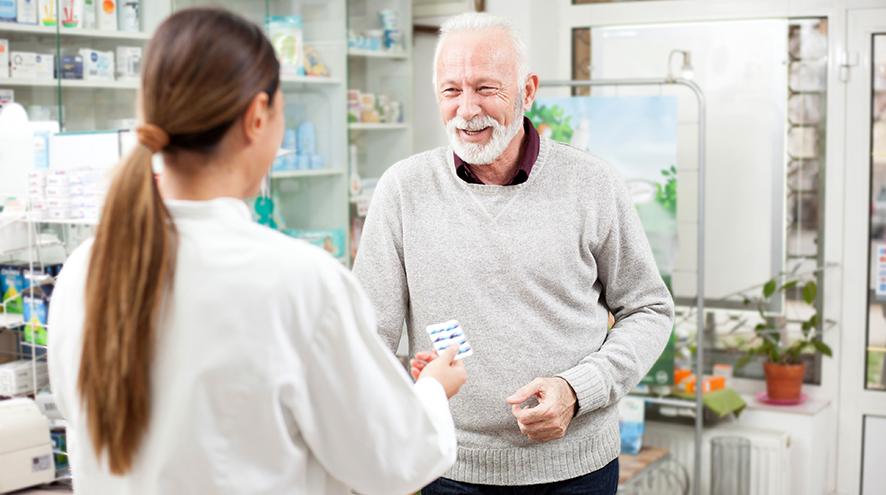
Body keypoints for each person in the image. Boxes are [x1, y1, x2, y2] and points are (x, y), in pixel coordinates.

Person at [46, 8, 466, 495]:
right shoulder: (298, 283)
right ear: (257, 117)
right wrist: (433, 389)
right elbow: (396, 462)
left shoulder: (84, 271)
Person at [353, 12, 674, 494]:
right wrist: (409, 399)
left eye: (486, 89)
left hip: (577, 471)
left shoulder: (592, 183)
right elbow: (365, 339)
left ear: (527, 91)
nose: (467, 110)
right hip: (450, 470)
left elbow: (649, 309)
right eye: (451, 91)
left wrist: (577, 390)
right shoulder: (403, 189)